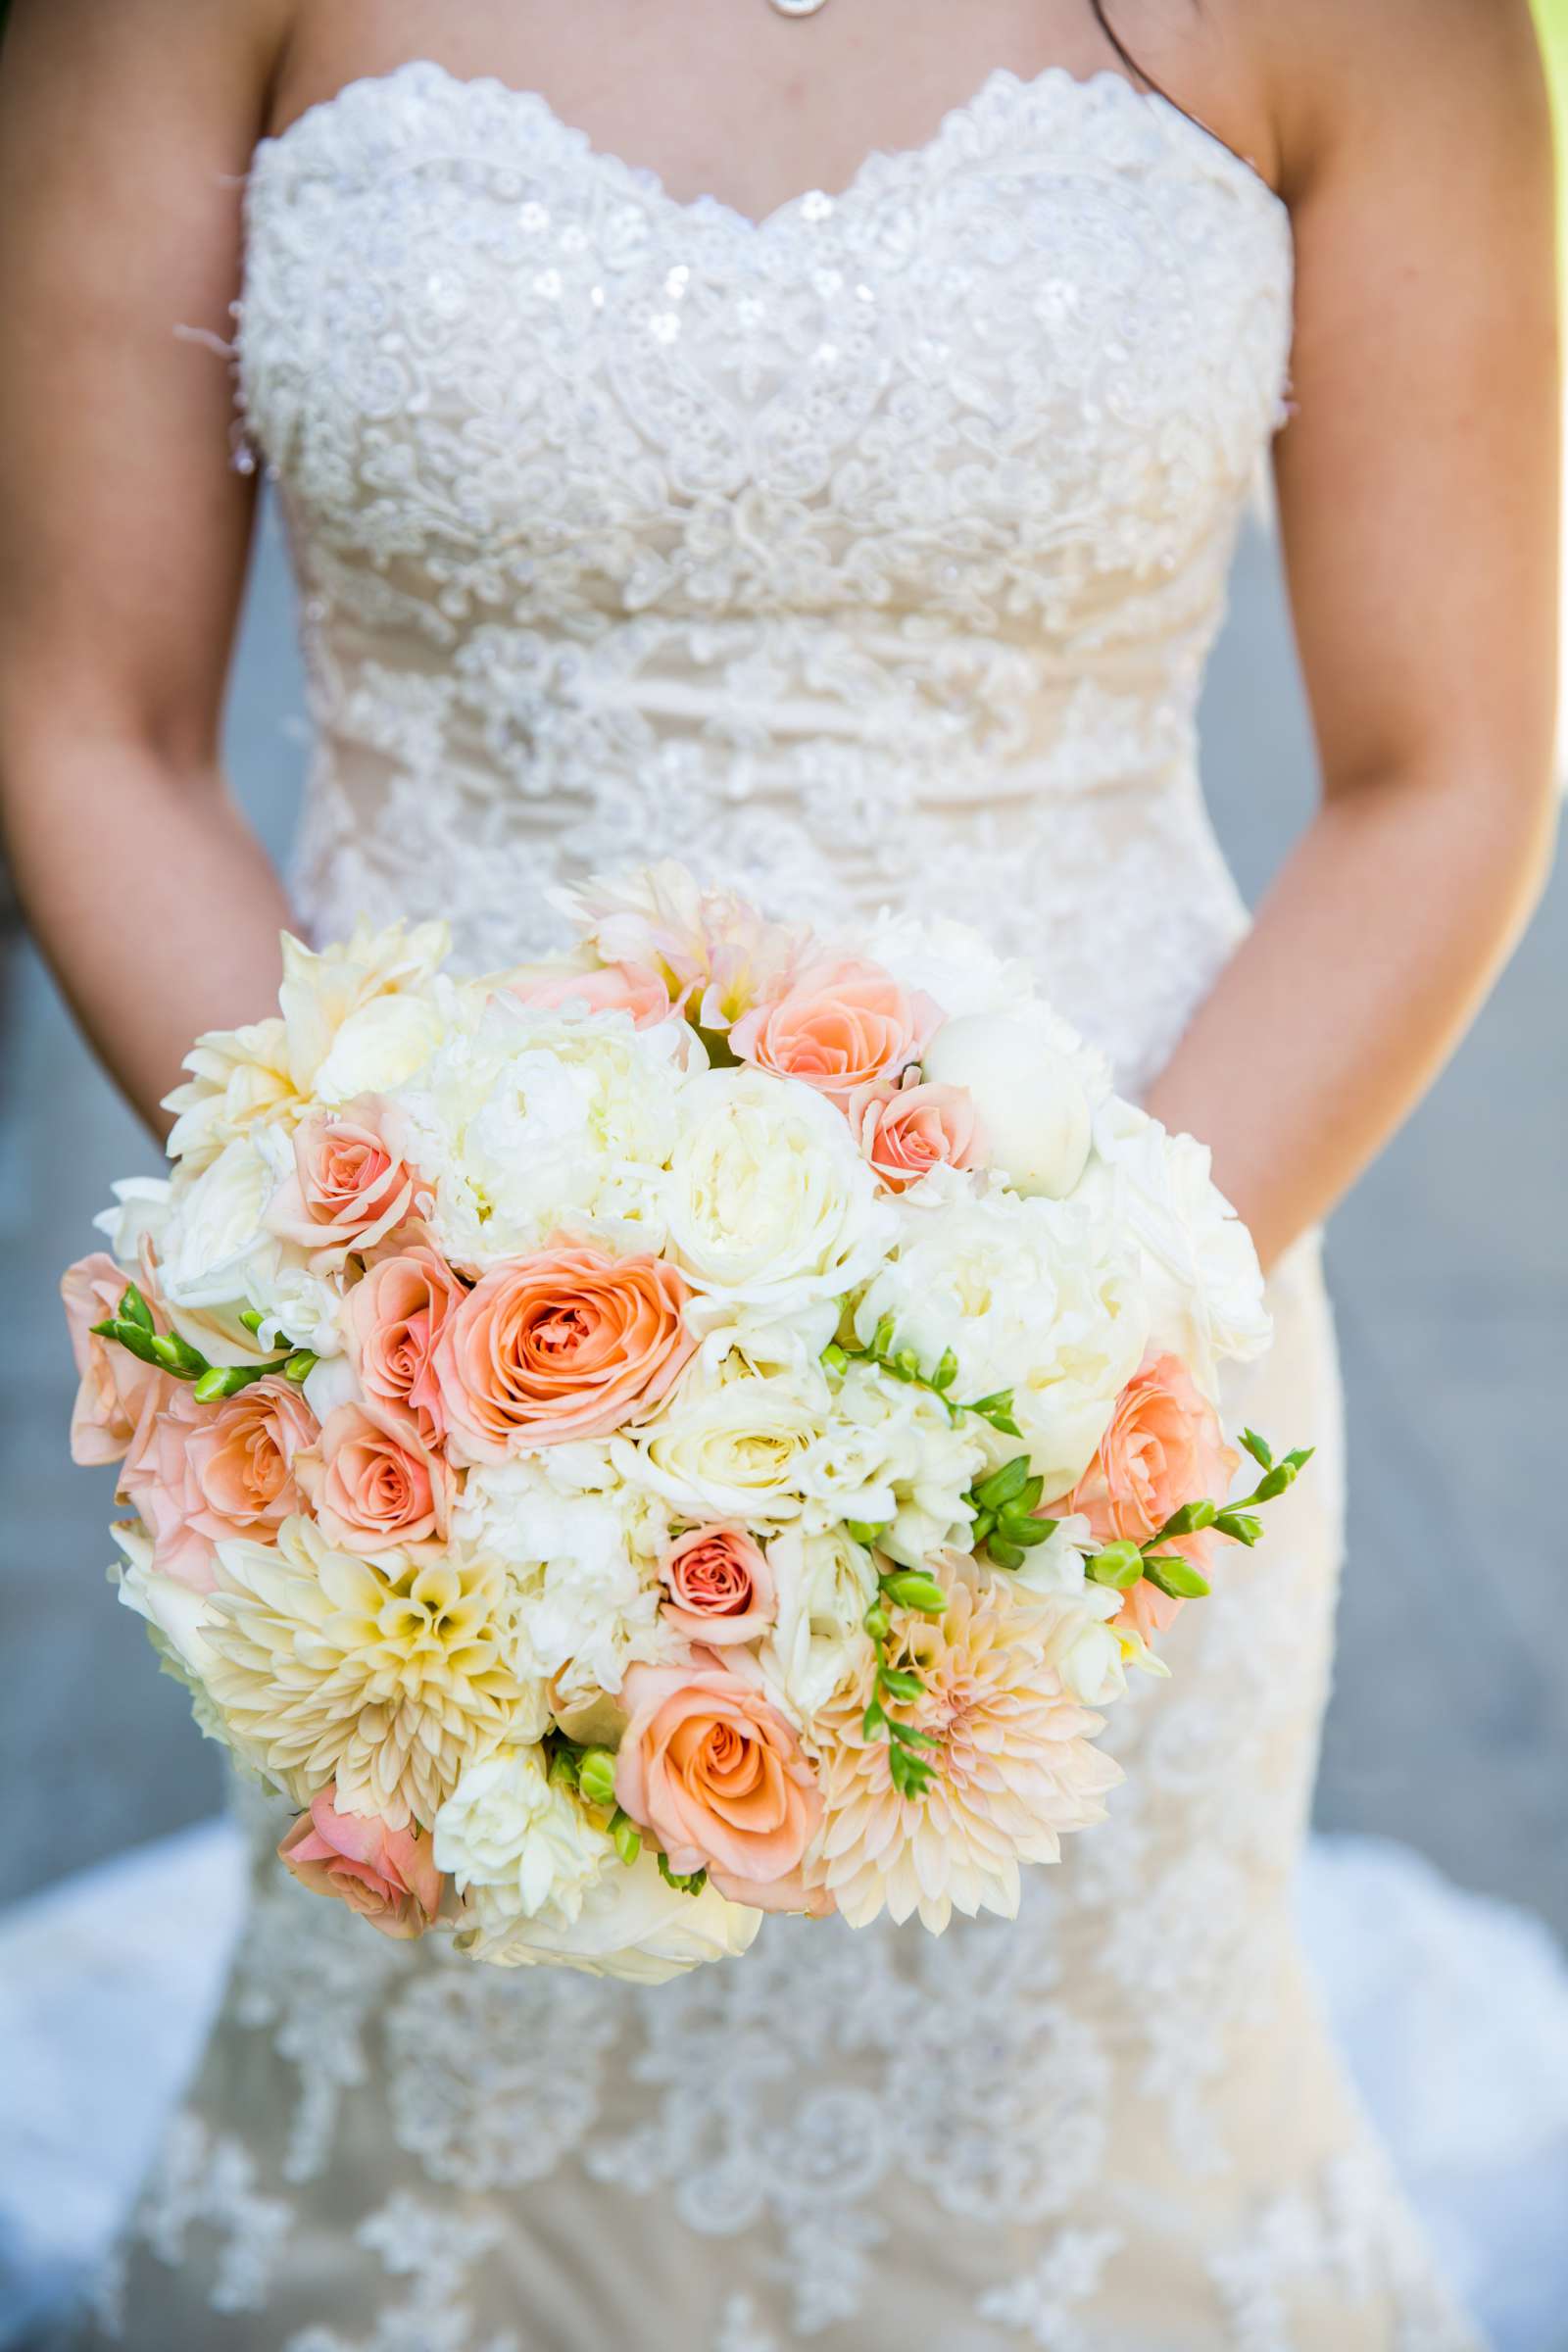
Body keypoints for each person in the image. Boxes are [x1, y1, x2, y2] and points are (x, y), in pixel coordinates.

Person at [0, 1, 1557, 2344]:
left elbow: (1440, 773)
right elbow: (81, 719)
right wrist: (359, 1335)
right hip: (426, 1412)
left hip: (1132, 1340)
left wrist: (1041, 1398)